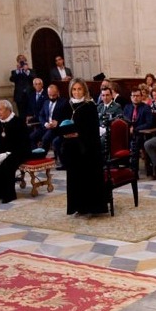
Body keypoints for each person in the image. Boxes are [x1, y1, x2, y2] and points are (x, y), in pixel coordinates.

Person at [60, 78, 109, 216]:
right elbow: (62, 124)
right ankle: (78, 206)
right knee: (75, 178)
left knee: (88, 178)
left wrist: (78, 134)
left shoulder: (90, 106)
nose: (76, 92)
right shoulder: (67, 105)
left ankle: (92, 207)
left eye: (79, 89)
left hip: (88, 149)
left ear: (84, 90)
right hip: (72, 148)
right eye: (74, 89)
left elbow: (93, 129)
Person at [9, 54, 36, 118]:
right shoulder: (14, 72)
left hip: (29, 94)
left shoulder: (31, 71)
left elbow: (34, 78)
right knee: (21, 114)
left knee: (30, 113)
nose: (21, 61)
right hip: (19, 96)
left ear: (25, 61)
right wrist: (18, 70)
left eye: (23, 59)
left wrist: (26, 71)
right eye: (19, 60)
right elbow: (11, 79)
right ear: (17, 61)